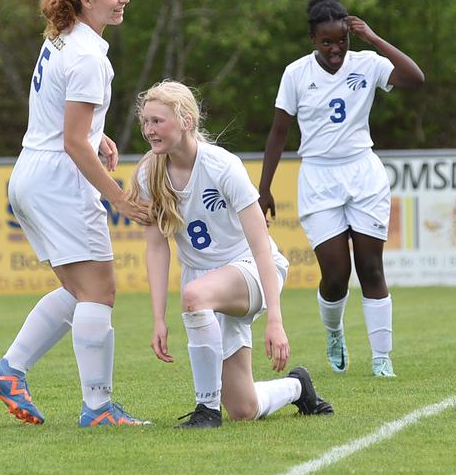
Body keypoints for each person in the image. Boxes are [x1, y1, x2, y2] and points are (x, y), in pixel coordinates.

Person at [0, 0, 153, 426]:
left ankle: (10, 369)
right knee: (100, 293)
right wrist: (118, 197)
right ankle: (98, 408)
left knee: (83, 291)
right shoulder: (87, 57)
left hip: (32, 172)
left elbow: (71, 124)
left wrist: (99, 134)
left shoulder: (64, 38)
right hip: (59, 179)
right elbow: (74, 143)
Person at [133, 81, 333, 428]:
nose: (150, 130)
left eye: (158, 121)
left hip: (250, 270)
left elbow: (260, 244)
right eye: (146, 122)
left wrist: (276, 320)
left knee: (194, 296)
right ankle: (298, 387)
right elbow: (155, 247)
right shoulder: (147, 172)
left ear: (186, 121)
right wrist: (158, 318)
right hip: (207, 285)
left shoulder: (222, 166)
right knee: (244, 408)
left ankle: (206, 411)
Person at [259, 0, 425, 377]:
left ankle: (382, 358)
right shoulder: (296, 73)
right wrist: (265, 187)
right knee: (335, 276)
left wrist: (374, 38)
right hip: (318, 177)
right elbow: (279, 132)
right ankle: (334, 333)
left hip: (363, 174)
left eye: (342, 40)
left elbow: (415, 78)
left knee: (371, 268)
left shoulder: (366, 63)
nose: (336, 49)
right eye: (327, 42)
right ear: (313, 40)